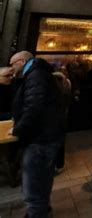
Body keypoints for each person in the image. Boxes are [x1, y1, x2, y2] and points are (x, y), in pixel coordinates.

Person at [8, 51, 64, 217]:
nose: (11, 67)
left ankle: (37, 213)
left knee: (34, 187)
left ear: (22, 61)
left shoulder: (36, 76)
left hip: (40, 140)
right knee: (40, 182)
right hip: (45, 137)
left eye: (13, 64)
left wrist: (19, 128)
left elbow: (34, 108)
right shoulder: (36, 75)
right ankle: (42, 210)